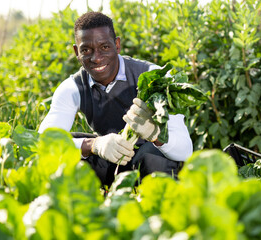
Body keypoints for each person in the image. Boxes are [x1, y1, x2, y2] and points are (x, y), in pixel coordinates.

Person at [38, 11, 193, 187]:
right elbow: (43, 141)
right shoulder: (72, 88)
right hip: (111, 161)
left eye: (104, 47)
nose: (96, 58)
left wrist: (155, 135)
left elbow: (185, 150)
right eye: (86, 50)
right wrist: (94, 145)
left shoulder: (153, 76)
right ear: (76, 51)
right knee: (63, 146)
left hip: (149, 165)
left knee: (152, 155)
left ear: (117, 45)